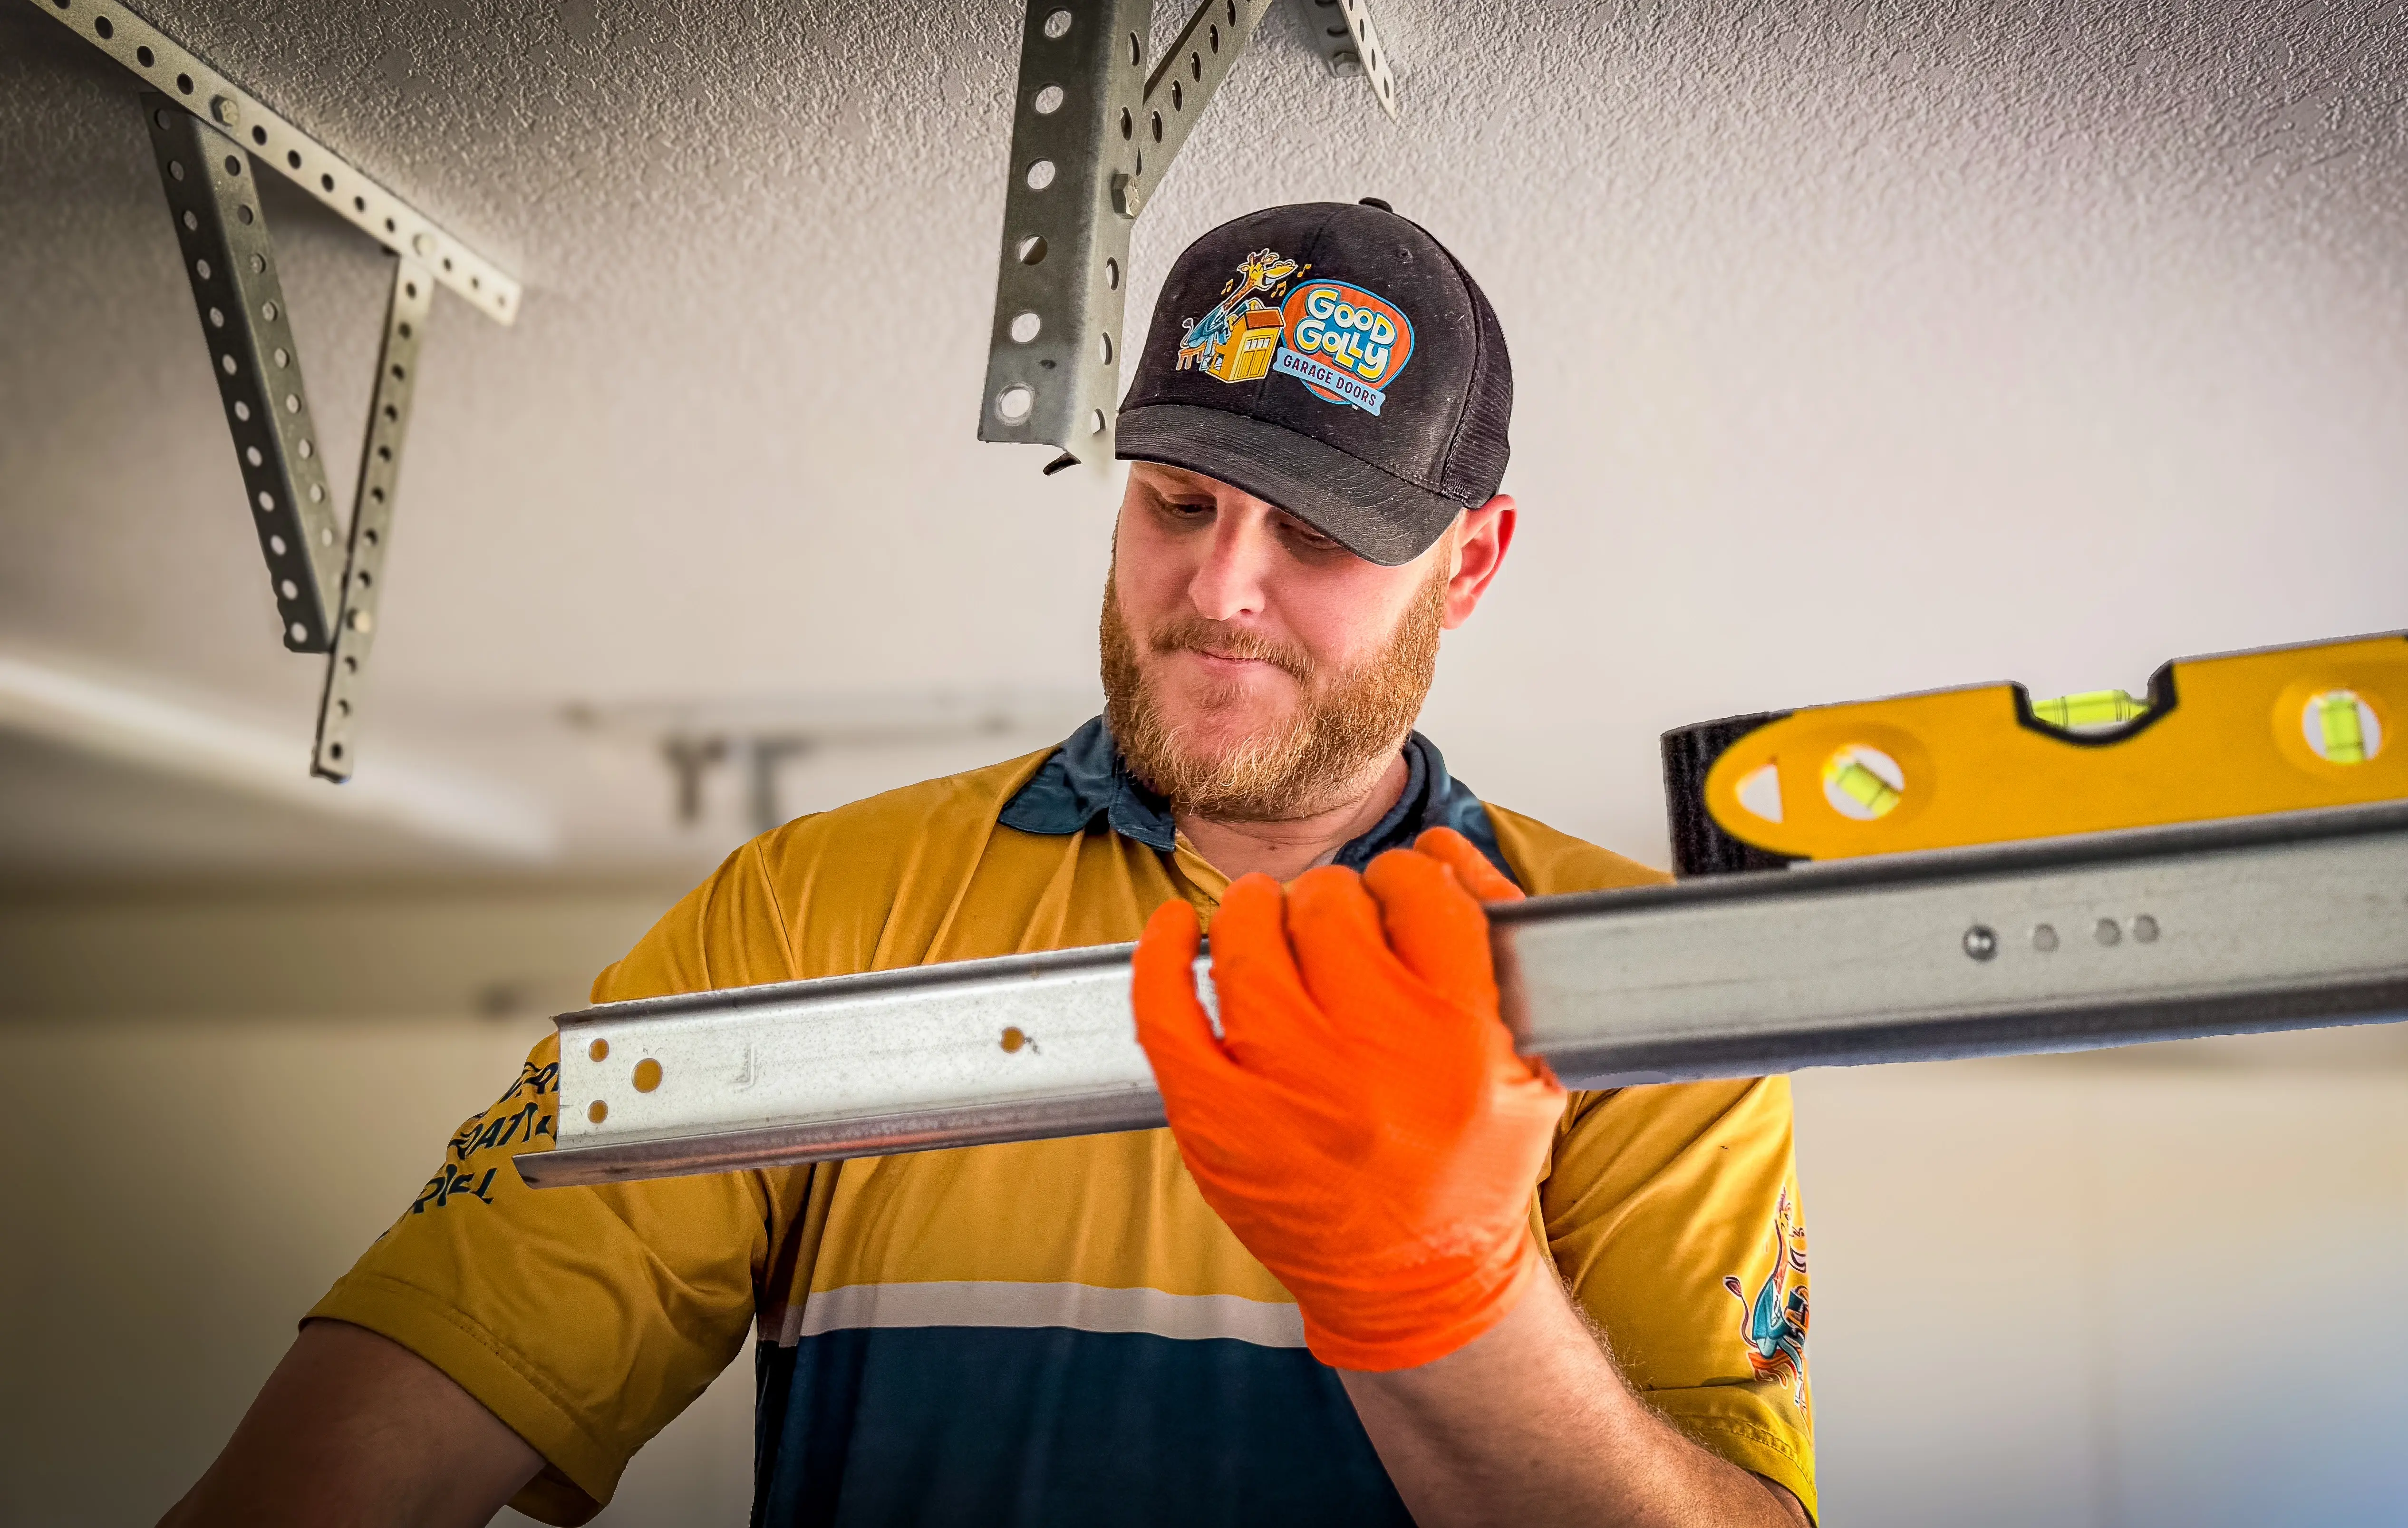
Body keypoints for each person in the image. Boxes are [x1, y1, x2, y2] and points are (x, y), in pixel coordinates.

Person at [163, 201, 1816, 1528]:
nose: (1218, 590)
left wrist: (1446, 1295)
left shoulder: (1631, 980)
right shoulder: (815, 907)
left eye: (1314, 534)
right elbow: (439, 1366)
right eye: (1176, 501)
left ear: (1471, 566)